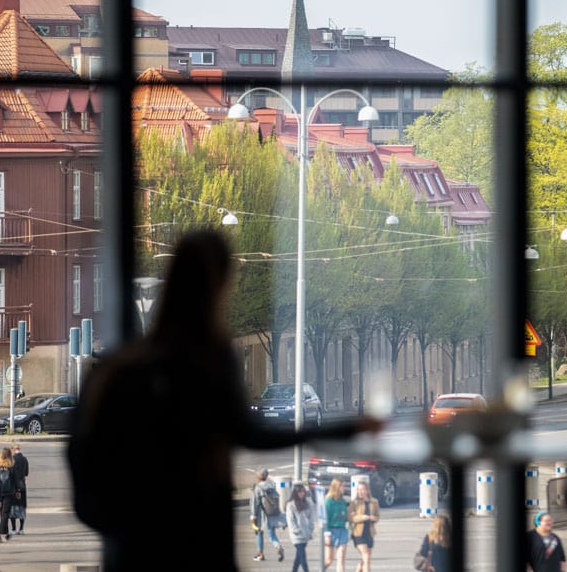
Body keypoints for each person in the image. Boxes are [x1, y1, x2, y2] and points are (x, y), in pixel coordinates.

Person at [68, 229, 382, 572]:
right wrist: (348, 428)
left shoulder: (117, 369)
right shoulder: (209, 361)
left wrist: (120, 525)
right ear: (217, 284)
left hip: (133, 548)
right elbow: (251, 434)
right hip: (200, 538)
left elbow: (82, 453)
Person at [250, 469, 285, 562]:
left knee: (259, 533)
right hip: (272, 513)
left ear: (259, 477)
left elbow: (255, 503)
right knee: (271, 533)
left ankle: (260, 554)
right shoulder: (272, 486)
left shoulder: (258, 488)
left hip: (262, 516)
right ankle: (278, 546)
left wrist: (253, 517)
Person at [346, 479, 379, 572]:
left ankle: (359, 569)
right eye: (358, 489)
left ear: (367, 490)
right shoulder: (354, 502)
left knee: (365, 558)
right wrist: (361, 517)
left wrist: (374, 518)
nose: (360, 492)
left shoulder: (374, 502)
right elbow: (350, 518)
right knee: (366, 556)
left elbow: (377, 516)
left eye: (362, 489)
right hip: (358, 533)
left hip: (369, 533)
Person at [286, 481, 317, 572]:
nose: (302, 493)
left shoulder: (308, 503)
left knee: (298, 557)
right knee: (303, 556)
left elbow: (311, 518)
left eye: (303, 491)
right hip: (297, 535)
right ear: (295, 493)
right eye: (300, 491)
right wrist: (297, 531)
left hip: (306, 533)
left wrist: (310, 531)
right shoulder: (291, 505)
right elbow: (291, 521)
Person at [0, 446, 24, 543]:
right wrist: (18, 491)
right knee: (5, 514)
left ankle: (6, 533)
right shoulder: (11, 467)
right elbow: (15, 480)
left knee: (2, 513)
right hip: (8, 493)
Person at [323, 477, 349, 572]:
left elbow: (346, 517)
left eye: (343, 486)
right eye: (342, 486)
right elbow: (325, 519)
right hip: (331, 531)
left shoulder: (343, 501)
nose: (343, 488)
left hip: (342, 530)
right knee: (329, 560)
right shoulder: (329, 501)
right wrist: (327, 534)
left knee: (341, 558)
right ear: (336, 487)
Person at [10, 443, 29, 535]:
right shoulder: (25, 459)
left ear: (13, 450)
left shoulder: (12, 459)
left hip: (13, 486)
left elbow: (11, 473)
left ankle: (13, 528)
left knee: (13, 507)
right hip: (22, 485)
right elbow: (26, 473)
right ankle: (21, 529)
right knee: (22, 507)